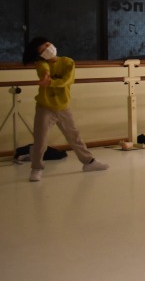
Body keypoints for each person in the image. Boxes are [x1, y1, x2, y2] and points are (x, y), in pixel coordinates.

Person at [21, 37, 110, 182]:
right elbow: (44, 70)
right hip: (45, 107)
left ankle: (89, 162)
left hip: (63, 107)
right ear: (40, 55)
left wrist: (50, 82)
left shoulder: (67, 62)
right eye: (43, 49)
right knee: (40, 140)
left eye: (48, 44)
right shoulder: (41, 64)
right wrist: (46, 76)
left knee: (74, 136)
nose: (48, 48)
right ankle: (36, 168)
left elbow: (68, 80)